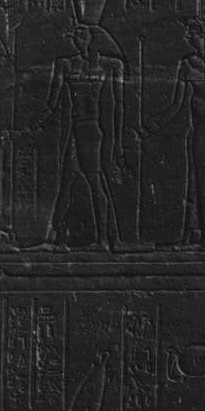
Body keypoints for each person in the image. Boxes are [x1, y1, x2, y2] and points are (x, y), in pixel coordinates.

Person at [29, 22, 126, 251]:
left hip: (91, 131)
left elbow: (118, 106)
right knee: (68, 181)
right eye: (75, 36)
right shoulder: (66, 64)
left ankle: (104, 239)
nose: (77, 39)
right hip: (76, 130)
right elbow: (52, 103)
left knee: (95, 182)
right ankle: (56, 238)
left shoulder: (109, 65)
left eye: (82, 35)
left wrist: (118, 144)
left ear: (93, 38)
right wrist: (35, 124)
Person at [146, 17, 205, 249]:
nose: (188, 37)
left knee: (203, 182)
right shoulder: (187, 63)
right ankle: (190, 234)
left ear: (204, 35)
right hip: (196, 128)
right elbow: (177, 103)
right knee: (192, 182)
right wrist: (157, 124)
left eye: (192, 33)